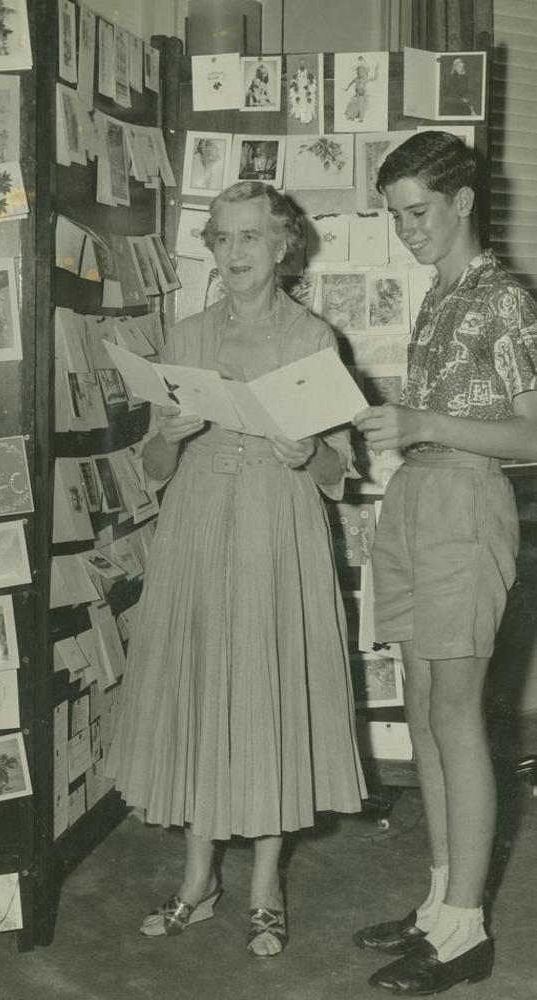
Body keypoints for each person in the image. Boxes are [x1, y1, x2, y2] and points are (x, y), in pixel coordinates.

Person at [106, 181, 366, 957]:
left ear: (284, 245)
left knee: (267, 694)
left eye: (251, 236)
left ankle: (263, 887)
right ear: (211, 249)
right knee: (197, 694)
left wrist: (308, 451)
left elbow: (337, 470)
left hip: (274, 527)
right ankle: (197, 881)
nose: (237, 252)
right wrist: (174, 435)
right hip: (194, 528)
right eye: (223, 238)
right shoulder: (184, 336)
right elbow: (151, 464)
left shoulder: (314, 339)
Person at [352, 131, 537, 994]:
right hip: (417, 500)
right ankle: (438, 904)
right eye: (394, 216)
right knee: (422, 704)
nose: (406, 230)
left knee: (457, 711)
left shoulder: (506, 300)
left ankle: (467, 932)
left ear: (463, 201)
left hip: (467, 503)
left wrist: (423, 425)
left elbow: (535, 435)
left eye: (417, 212)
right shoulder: (439, 296)